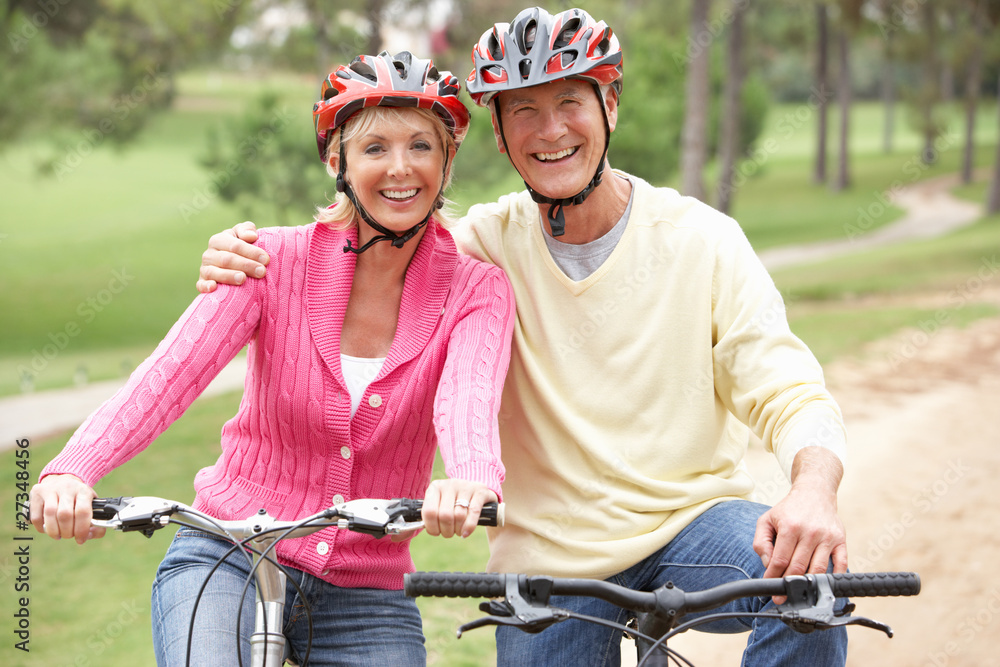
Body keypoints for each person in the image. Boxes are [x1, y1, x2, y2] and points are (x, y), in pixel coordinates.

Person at [197, 8, 851, 666]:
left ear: (611, 106)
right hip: (546, 557)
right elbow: (360, 244)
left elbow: (788, 386)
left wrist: (812, 489)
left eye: (570, 101)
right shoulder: (475, 253)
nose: (550, 130)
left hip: (691, 526)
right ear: (502, 136)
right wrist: (249, 256)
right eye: (524, 111)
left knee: (807, 590)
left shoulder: (703, 240)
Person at [30, 51, 515, 667]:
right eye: (375, 148)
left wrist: (472, 480)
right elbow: (164, 379)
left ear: (446, 163)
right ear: (336, 161)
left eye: (422, 146)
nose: (401, 168)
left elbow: (469, 398)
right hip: (227, 551)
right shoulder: (266, 261)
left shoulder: (477, 289)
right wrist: (72, 470)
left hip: (365, 588)